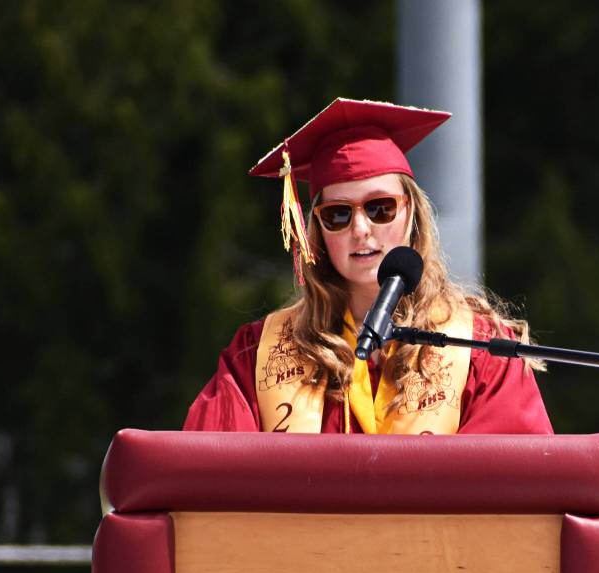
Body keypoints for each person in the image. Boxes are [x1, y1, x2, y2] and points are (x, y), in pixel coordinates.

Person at [184, 98, 552, 435]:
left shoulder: (480, 351)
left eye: (380, 208)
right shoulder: (257, 355)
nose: (361, 230)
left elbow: (516, 484)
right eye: (338, 214)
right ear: (317, 231)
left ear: (410, 213)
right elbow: (206, 475)